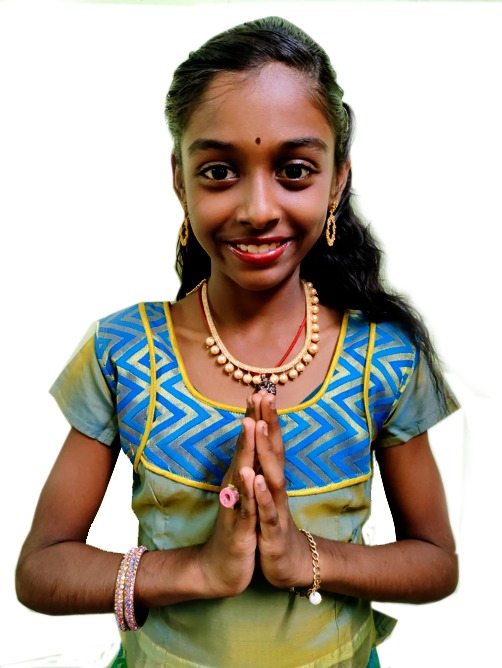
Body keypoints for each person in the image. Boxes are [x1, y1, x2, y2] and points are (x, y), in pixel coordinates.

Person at [15, 16, 459, 668]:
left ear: (337, 181)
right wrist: (199, 569)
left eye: (295, 171)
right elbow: (41, 570)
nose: (257, 209)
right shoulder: (124, 353)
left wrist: (302, 557)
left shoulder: (383, 359)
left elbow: (436, 562)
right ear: (180, 179)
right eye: (220, 171)